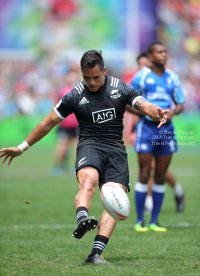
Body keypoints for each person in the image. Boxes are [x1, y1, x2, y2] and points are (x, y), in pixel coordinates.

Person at [0, 50, 169, 264]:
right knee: (87, 185)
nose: (91, 82)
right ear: (81, 73)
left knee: (114, 203)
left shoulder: (120, 88)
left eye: (96, 77)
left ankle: (96, 254)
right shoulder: (75, 94)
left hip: (116, 150)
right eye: (86, 77)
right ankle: (83, 219)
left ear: (104, 71)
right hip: (90, 146)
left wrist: (156, 112)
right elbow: (47, 122)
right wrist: (21, 147)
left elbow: (143, 104)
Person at [127, 41, 185, 232]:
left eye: (165, 51)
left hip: (166, 130)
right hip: (147, 130)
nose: (164, 54)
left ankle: (154, 221)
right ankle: (139, 221)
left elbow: (180, 104)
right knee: (144, 173)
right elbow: (127, 103)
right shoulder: (141, 77)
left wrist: (173, 112)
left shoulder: (173, 78)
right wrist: (148, 113)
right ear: (150, 56)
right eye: (159, 52)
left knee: (160, 175)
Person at [51, 70, 79, 175]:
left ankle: (74, 166)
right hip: (65, 122)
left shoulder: (77, 89)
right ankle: (58, 166)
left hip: (76, 123)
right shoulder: (64, 90)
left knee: (76, 146)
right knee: (63, 145)